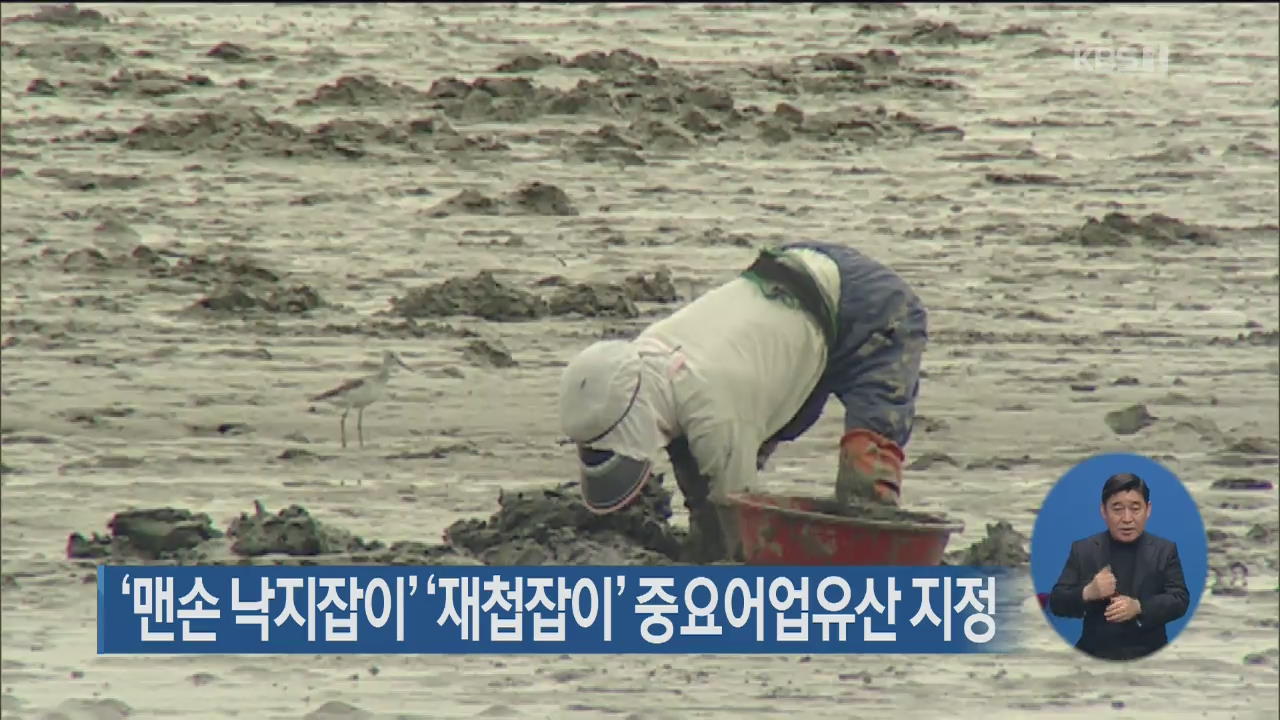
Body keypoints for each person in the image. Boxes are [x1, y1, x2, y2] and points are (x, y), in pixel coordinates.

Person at [555, 242, 928, 561]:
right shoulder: (650, 360)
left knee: (865, 477)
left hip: (869, 305)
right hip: (791, 291)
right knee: (701, 479)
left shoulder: (713, 408)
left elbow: (740, 517)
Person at [1048, 472, 1191, 661]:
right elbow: (1057, 602)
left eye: (1135, 508)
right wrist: (1088, 592)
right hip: (1094, 654)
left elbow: (1180, 599)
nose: (1127, 518)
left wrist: (1139, 607)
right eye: (1117, 509)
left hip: (1151, 654)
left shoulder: (1164, 550)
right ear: (1103, 511)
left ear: (1148, 510)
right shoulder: (1083, 549)